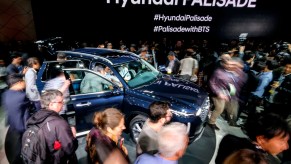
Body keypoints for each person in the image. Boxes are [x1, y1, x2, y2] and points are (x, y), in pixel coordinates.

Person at [24, 89, 78, 163]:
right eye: (60, 102)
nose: (63, 104)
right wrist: (74, 136)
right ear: (51, 104)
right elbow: (70, 149)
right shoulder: (59, 123)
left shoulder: (36, 116)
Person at [215, 113, 290, 164]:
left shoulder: (229, 140)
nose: (286, 147)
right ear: (262, 139)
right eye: (282, 141)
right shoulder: (253, 160)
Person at [208, 57, 247, 130]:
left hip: (230, 94)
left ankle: (230, 121)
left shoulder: (238, 74)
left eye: (233, 65)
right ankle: (211, 122)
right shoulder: (219, 72)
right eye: (229, 64)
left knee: (231, 112)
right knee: (219, 108)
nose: (230, 66)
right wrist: (218, 93)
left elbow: (236, 86)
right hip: (219, 93)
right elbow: (212, 83)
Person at [3, 74, 31, 164]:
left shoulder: (5, 94)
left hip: (12, 123)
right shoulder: (21, 96)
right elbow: (30, 105)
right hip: (21, 126)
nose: (25, 83)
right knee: (22, 147)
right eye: (24, 81)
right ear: (19, 82)